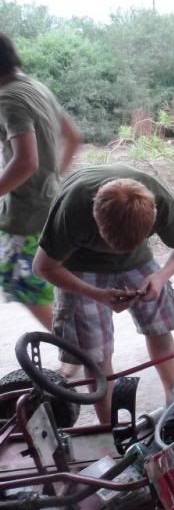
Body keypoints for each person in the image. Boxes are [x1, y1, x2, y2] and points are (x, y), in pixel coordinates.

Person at [32, 164, 174, 422]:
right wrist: (95, 293)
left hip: (138, 261)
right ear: (94, 217)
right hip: (79, 267)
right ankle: (107, 429)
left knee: (160, 326)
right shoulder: (72, 208)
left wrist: (160, 277)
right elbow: (43, 267)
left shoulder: (159, 201)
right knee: (94, 354)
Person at [0, 32, 82, 330]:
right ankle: (79, 347)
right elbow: (74, 137)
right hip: (50, 202)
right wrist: (53, 176)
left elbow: (25, 162)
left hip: (27, 214)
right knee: (50, 280)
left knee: (23, 283)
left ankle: (73, 348)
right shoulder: (35, 87)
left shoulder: (9, 99)